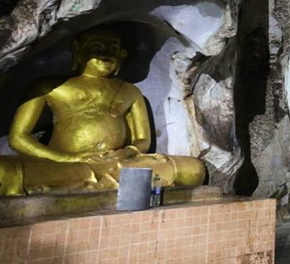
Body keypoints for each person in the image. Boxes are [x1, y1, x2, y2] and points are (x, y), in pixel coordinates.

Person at [0, 29, 205, 196]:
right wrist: (69, 159)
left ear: (121, 55)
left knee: (194, 169)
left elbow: (143, 139)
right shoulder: (49, 86)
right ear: (78, 50)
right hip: (67, 165)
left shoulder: (130, 90)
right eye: (97, 48)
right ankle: (97, 184)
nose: (105, 55)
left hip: (120, 164)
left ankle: (90, 186)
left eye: (112, 49)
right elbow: (18, 138)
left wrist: (124, 153)